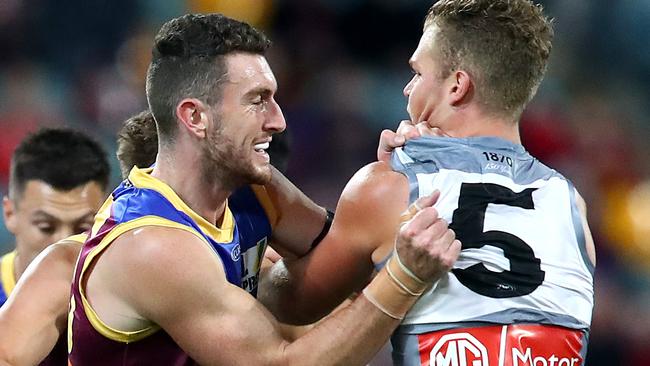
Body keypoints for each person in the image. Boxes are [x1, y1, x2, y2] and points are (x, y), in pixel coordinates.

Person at [67, 14, 459, 365]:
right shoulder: (152, 245)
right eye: (258, 101)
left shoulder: (249, 188)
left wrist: (396, 180)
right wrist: (404, 277)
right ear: (195, 117)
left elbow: (348, 254)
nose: (279, 121)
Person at [260, 0, 596, 364]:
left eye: (418, 74)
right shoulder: (571, 204)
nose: (407, 89)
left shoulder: (390, 188)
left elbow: (291, 305)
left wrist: (258, 260)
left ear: (456, 87)